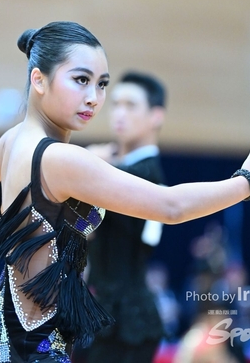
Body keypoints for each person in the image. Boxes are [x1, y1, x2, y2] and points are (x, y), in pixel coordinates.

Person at [0, 21, 250, 363]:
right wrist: (249, 181)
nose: (94, 98)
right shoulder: (61, 158)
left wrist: (26, 235)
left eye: (101, 84)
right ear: (39, 80)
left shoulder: (13, 140)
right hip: (31, 347)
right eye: (81, 80)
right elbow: (171, 207)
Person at [85, 71, 168, 363]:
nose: (119, 113)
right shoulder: (115, 169)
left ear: (156, 116)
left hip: (125, 325)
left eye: (131, 105)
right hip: (108, 317)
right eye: (116, 104)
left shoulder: (143, 175)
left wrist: (88, 162)